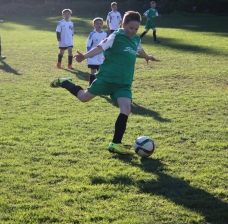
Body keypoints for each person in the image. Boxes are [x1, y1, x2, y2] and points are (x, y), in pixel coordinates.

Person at [50, 11, 158, 155]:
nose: (133, 31)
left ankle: (115, 143)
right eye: (131, 28)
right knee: (83, 98)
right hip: (107, 79)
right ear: (123, 24)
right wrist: (84, 56)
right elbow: (100, 48)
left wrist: (148, 57)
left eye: (136, 29)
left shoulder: (136, 38)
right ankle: (65, 82)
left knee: (126, 109)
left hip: (124, 83)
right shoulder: (116, 36)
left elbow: (140, 50)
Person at [86, 17, 107, 85]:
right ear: (93, 25)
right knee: (93, 72)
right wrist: (89, 54)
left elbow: (106, 45)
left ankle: (99, 86)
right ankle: (91, 86)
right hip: (93, 56)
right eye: (97, 23)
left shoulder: (105, 34)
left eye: (100, 24)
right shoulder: (92, 34)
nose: (99, 25)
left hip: (101, 56)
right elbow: (88, 45)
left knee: (101, 72)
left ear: (102, 25)